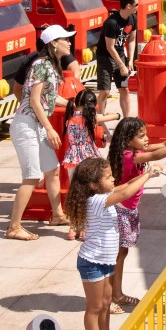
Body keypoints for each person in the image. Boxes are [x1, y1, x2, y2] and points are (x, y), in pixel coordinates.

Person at [64, 156, 163, 330]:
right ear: (93, 184)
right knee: (95, 307)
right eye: (108, 177)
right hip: (92, 262)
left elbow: (125, 186)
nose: (113, 179)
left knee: (107, 301)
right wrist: (148, 174)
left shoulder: (104, 194)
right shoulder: (96, 201)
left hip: (106, 262)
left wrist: (147, 175)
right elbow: (127, 192)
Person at [106, 118, 166, 312]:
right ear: (128, 140)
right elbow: (156, 155)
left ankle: (117, 293)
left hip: (128, 209)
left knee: (121, 254)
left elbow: (163, 144)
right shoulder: (129, 156)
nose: (147, 139)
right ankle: (109, 299)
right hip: (120, 211)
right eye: (141, 136)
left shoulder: (135, 151)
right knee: (116, 256)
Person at [6, 25, 75, 241]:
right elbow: (35, 101)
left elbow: (52, 99)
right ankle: (13, 227)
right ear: (53, 43)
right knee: (32, 177)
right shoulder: (42, 65)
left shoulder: (51, 66)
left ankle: (57, 215)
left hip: (36, 125)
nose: (70, 43)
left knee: (52, 170)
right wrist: (49, 127)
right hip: (27, 126)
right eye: (66, 39)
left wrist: (79, 104)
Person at [61, 89, 119, 241]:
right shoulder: (89, 118)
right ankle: (86, 228)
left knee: (74, 192)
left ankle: (73, 227)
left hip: (72, 158)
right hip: (88, 159)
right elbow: (104, 118)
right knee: (89, 194)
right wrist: (116, 115)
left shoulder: (69, 117)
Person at [95, 0, 139, 118]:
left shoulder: (133, 18)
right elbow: (110, 47)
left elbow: (132, 39)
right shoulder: (112, 22)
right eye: (136, 5)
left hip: (119, 54)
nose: (138, 7)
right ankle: (100, 120)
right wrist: (121, 65)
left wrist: (130, 60)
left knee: (124, 88)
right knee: (105, 91)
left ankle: (126, 120)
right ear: (128, 6)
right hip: (105, 56)